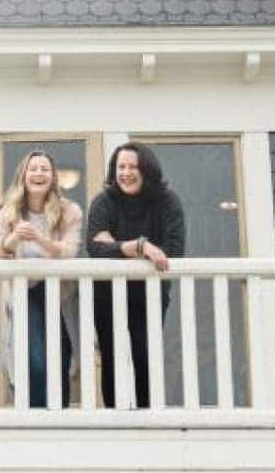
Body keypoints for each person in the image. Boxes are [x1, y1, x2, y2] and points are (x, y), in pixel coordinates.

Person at [84, 141, 186, 410]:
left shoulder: (168, 202)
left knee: (145, 355)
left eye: (132, 167)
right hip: (108, 295)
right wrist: (140, 247)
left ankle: (147, 418)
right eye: (121, 166)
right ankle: (114, 420)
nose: (126, 173)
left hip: (149, 294)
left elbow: (172, 253)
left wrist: (114, 245)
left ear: (147, 170)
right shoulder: (103, 202)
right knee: (112, 357)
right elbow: (94, 247)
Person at [0, 150, 82, 408]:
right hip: (24, 291)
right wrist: (14, 237)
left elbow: (70, 251)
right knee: (37, 356)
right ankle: (35, 411)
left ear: (53, 178)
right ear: (23, 175)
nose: (39, 174)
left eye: (44, 169)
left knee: (62, 354)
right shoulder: (5, 213)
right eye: (33, 169)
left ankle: (57, 411)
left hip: (58, 292)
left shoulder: (68, 211)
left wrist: (39, 239)